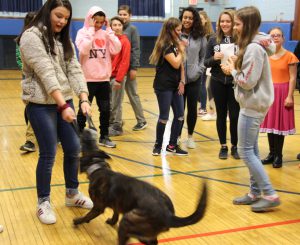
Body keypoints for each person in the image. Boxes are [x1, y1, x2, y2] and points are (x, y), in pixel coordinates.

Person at [17, 0, 93, 224]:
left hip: (64, 100)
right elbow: (46, 72)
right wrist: (62, 106)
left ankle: (72, 193)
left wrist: (83, 98)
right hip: (40, 104)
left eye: (66, 18)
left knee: (73, 148)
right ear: (47, 11)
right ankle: (43, 202)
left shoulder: (63, 39)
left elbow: (74, 68)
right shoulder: (31, 36)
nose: (62, 21)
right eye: (58, 15)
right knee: (48, 153)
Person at [223, 6, 280, 212]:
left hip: (253, 105)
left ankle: (270, 194)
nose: (234, 28)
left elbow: (247, 81)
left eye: (237, 24)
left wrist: (232, 70)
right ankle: (255, 192)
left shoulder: (255, 48)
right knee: (252, 148)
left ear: (247, 25)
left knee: (245, 151)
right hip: (253, 103)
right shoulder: (253, 44)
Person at [76, 6, 121, 148]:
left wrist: (109, 32)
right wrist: (90, 31)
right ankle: (78, 137)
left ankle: (104, 136)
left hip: (103, 80)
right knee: (84, 110)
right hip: (87, 80)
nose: (99, 25)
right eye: (96, 21)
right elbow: (84, 49)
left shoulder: (105, 33)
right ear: (90, 19)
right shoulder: (82, 33)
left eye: (102, 22)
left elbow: (117, 49)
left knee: (106, 109)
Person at [260, 27, 299, 168]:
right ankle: (271, 154)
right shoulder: (265, 55)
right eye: (273, 35)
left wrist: (290, 96)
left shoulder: (290, 56)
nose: (275, 38)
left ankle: (278, 156)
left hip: (283, 92)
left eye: (278, 35)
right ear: (269, 38)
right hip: (268, 92)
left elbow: (293, 77)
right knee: (270, 125)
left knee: (279, 125)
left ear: (283, 38)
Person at [204, 10, 240, 159]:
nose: (225, 24)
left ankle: (235, 146)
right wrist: (214, 58)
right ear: (218, 23)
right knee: (220, 115)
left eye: (228, 21)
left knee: (235, 115)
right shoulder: (212, 39)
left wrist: (237, 61)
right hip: (217, 81)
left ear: (233, 22)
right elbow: (205, 62)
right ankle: (223, 146)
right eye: (222, 21)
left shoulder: (240, 39)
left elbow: (247, 61)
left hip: (234, 81)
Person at [149, 17, 188, 156]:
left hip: (175, 85)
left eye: (180, 30)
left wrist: (182, 81)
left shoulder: (175, 43)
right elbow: (176, 63)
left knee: (180, 116)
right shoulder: (164, 45)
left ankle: (172, 145)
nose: (180, 32)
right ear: (170, 30)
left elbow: (181, 66)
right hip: (163, 86)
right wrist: (182, 49)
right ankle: (158, 145)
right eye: (177, 30)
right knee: (164, 116)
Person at [178, 7, 207, 149]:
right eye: (185, 17)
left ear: (194, 20)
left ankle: (190, 137)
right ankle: (176, 136)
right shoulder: (176, 34)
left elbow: (203, 57)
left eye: (190, 18)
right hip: (178, 80)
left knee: (192, 109)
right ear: (181, 18)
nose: (187, 20)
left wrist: (199, 71)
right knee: (179, 109)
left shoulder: (200, 36)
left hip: (194, 79)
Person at [118, 5, 148, 131]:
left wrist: (134, 68)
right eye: (121, 14)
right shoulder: (114, 27)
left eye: (125, 14)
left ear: (130, 16)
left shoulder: (132, 29)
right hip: (117, 70)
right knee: (116, 98)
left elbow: (136, 49)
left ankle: (141, 121)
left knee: (133, 94)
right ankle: (117, 122)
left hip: (129, 67)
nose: (123, 17)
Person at [17, 12, 36, 152]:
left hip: (49, 81)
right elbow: (20, 60)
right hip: (30, 79)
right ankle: (30, 140)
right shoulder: (23, 39)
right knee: (31, 108)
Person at [109, 16, 131, 136]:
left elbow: (125, 61)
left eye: (119, 25)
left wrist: (118, 79)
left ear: (122, 27)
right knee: (110, 103)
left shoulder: (125, 41)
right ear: (111, 27)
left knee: (117, 102)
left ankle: (117, 126)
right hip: (107, 76)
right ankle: (111, 123)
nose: (117, 27)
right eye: (114, 25)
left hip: (118, 77)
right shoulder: (110, 40)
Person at [198, 10, 214, 117]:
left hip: (204, 63)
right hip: (195, 62)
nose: (198, 21)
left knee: (202, 84)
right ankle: (201, 105)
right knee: (197, 85)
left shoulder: (210, 36)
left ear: (205, 21)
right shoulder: (195, 33)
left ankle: (203, 107)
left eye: (200, 19)